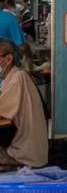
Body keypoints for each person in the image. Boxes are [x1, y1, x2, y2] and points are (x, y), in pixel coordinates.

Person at [0, 39, 47, 169]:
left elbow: (2, 110)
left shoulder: (17, 78)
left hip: (23, 153)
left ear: (8, 59)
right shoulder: (13, 77)